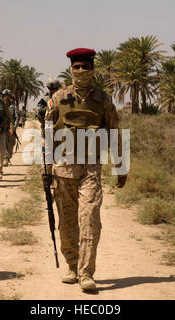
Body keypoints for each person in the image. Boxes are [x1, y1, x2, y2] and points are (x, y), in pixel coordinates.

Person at [44, 48, 128, 292]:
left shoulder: (103, 100)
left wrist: (121, 165)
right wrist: (46, 166)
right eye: (77, 67)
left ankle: (86, 272)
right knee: (67, 221)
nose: (81, 71)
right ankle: (72, 265)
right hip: (62, 168)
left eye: (86, 67)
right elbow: (48, 133)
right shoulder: (58, 98)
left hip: (91, 168)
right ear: (71, 69)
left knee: (90, 218)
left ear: (93, 70)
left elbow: (114, 131)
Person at [3, 90, 20, 166]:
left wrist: (13, 128)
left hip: (11, 128)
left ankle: (8, 157)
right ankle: (6, 158)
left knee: (11, 143)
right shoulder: (1, 105)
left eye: (7, 95)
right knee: (4, 143)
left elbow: (17, 117)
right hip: (3, 128)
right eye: (4, 95)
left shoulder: (13, 107)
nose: (6, 97)